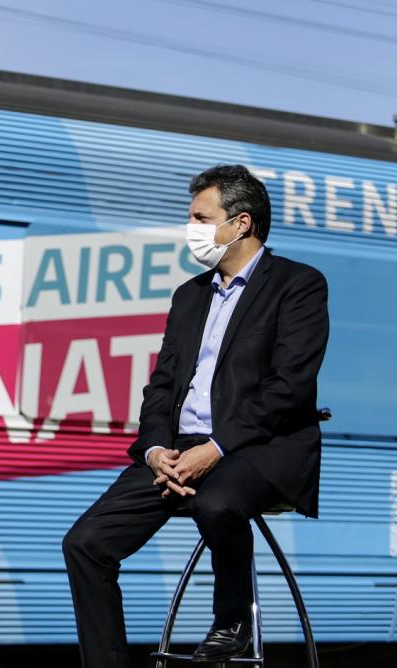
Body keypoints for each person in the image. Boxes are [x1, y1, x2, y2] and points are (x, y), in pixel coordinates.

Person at [63, 165, 329, 666]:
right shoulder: (190, 295)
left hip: (260, 448)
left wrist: (216, 448)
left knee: (217, 503)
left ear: (241, 223)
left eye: (201, 218)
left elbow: (287, 388)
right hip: (180, 449)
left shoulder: (298, 285)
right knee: (85, 543)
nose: (192, 229)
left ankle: (233, 622)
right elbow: (161, 386)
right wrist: (155, 449)